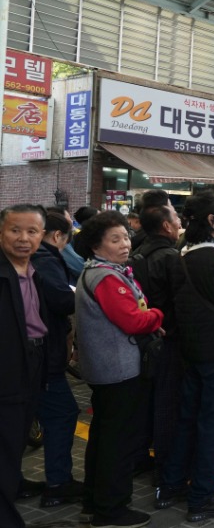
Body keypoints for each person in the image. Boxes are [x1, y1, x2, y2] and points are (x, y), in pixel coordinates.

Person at [157, 194, 214, 523]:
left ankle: (170, 485)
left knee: (187, 418)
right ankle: (201, 497)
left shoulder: (180, 256)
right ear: (212, 221)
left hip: (192, 348)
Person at [75, 210, 164, 528]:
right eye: (116, 239)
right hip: (118, 370)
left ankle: (94, 501)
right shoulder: (108, 278)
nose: (125, 243)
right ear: (97, 245)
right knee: (120, 441)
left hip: (106, 368)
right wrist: (156, 314)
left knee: (103, 436)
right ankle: (111, 509)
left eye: (126, 235)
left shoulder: (100, 270)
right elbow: (133, 319)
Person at [128, 201, 186, 491]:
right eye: (175, 218)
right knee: (167, 407)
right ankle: (166, 474)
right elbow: (181, 303)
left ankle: (139, 457)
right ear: (165, 225)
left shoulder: (136, 254)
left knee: (145, 403)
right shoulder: (171, 257)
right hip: (168, 340)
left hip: (143, 339)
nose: (179, 222)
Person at [0, 205, 48, 528]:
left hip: (30, 366)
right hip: (6, 373)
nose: (23, 238)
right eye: (15, 230)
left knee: (14, 445)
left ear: (42, 236)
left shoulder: (34, 271)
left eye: (32, 232)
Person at [32, 211, 81, 511]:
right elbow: (61, 300)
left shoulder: (29, 259)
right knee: (62, 413)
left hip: (33, 355)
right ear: (57, 236)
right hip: (43, 356)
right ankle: (58, 484)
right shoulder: (45, 259)